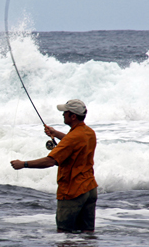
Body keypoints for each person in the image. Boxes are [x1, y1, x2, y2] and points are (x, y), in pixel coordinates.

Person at [10, 99, 98, 233]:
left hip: (73, 191)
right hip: (90, 189)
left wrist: (23, 164)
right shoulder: (89, 132)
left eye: (65, 112)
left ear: (73, 116)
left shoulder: (72, 137)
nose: (63, 115)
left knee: (64, 234)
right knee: (87, 233)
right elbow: (73, 141)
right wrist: (55, 133)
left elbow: (50, 161)